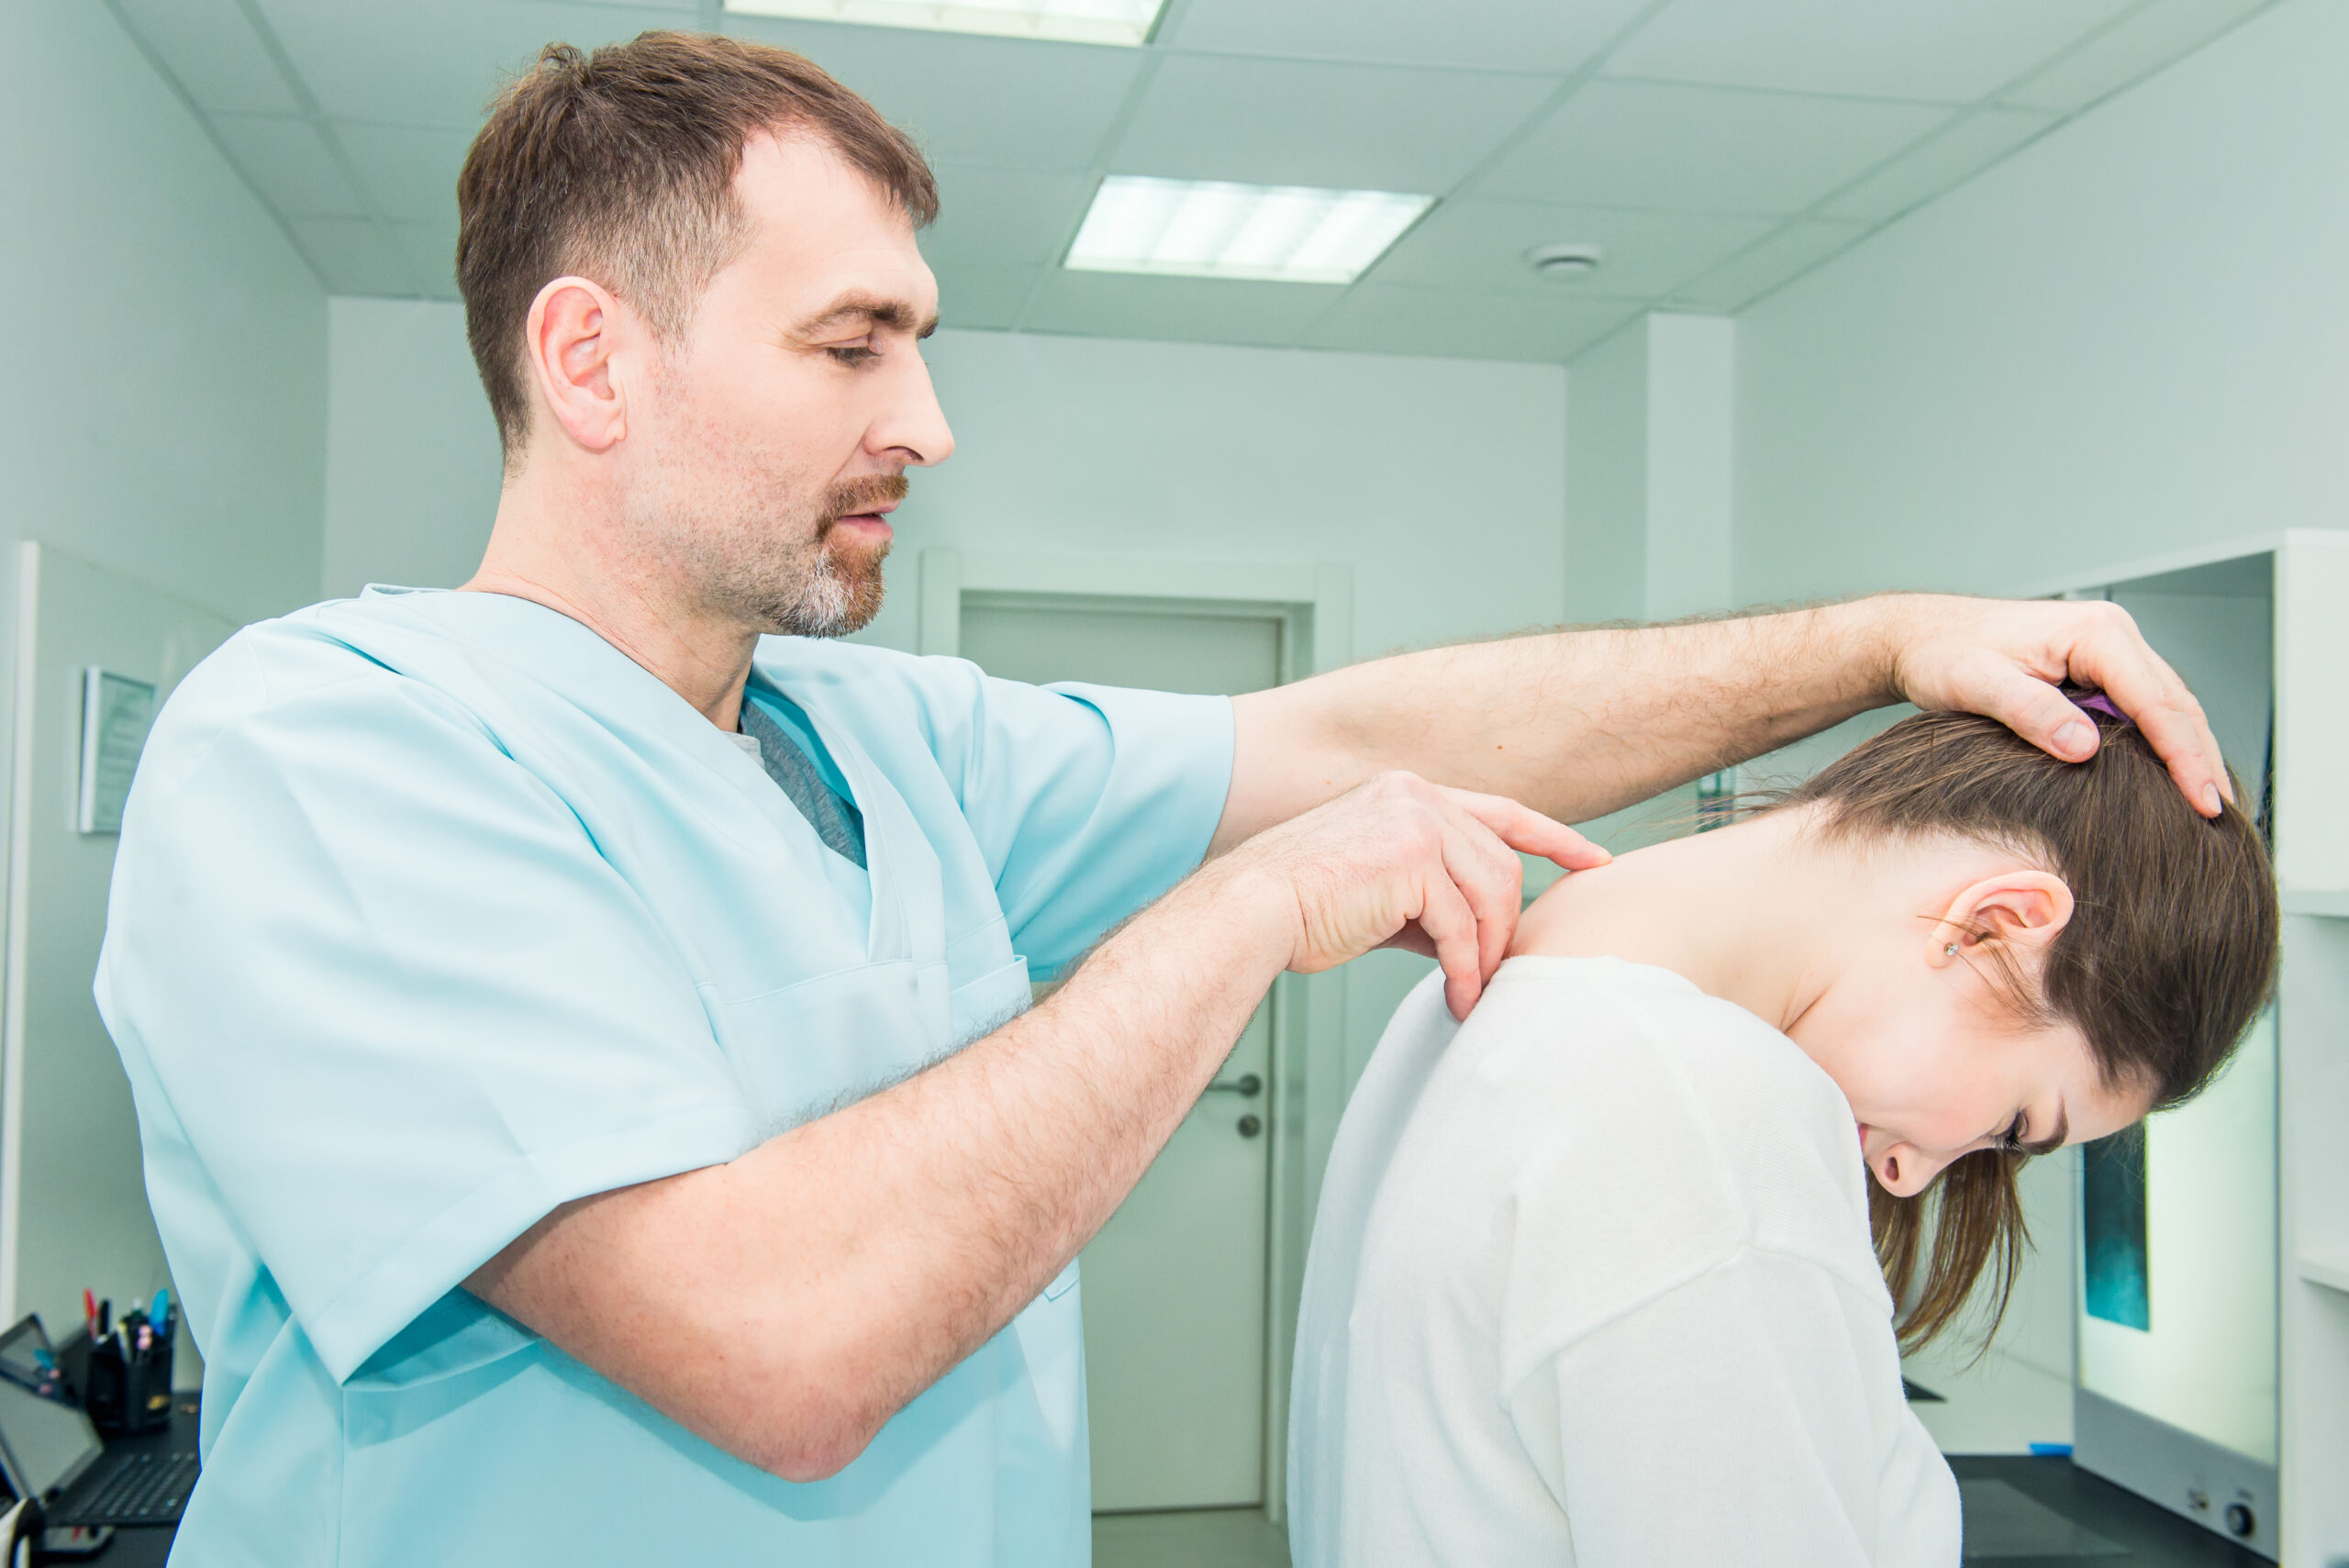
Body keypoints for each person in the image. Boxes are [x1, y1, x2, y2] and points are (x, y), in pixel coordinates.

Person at [93, 31, 2236, 1568]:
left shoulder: (881, 751)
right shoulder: (325, 758)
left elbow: (1379, 739)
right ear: (588, 361)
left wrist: (1875, 644)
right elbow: (774, 1339)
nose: (923, 418)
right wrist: (1233, 922)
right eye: (854, 346)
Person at [1288, 703, 2277, 1567]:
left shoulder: (1463, 1005)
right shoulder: (1704, 1107)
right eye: (2012, 1124)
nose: (1901, 1171)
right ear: (1994, 923)